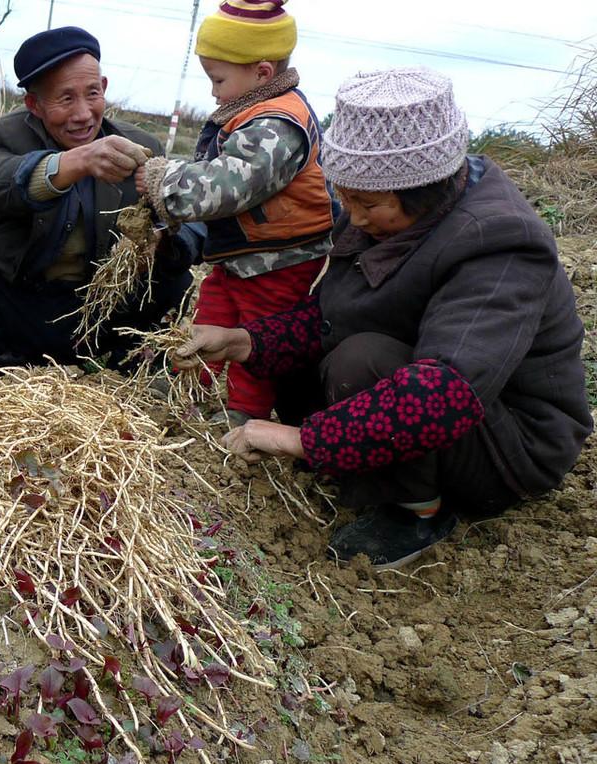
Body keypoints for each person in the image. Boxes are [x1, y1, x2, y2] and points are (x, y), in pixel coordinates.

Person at [172, 67, 592, 568]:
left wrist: (298, 439)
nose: (353, 214)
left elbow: (446, 392)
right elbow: (333, 316)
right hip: (417, 394)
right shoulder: (382, 213)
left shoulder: (499, 243)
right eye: (345, 196)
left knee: (362, 360)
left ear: (425, 189)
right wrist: (243, 341)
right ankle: (360, 462)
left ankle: (416, 512)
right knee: (314, 361)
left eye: (367, 204)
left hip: (508, 443)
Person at [0, 26, 201, 370]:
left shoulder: (139, 145)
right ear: (34, 105)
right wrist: (76, 162)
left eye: (92, 93)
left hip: (102, 314)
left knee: (179, 278)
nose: (83, 113)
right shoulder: (2, 136)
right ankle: (1, 374)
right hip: (25, 309)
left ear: (105, 88)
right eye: (66, 99)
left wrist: (162, 240)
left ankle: (129, 370)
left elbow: (191, 223)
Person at [136, 0, 335, 428]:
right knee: (213, 312)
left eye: (218, 78)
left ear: (262, 72)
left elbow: (226, 186)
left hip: (281, 260)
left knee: (255, 334)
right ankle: (186, 386)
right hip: (243, 255)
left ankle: (246, 415)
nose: (212, 91)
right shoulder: (254, 111)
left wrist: (164, 181)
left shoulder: (278, 125)